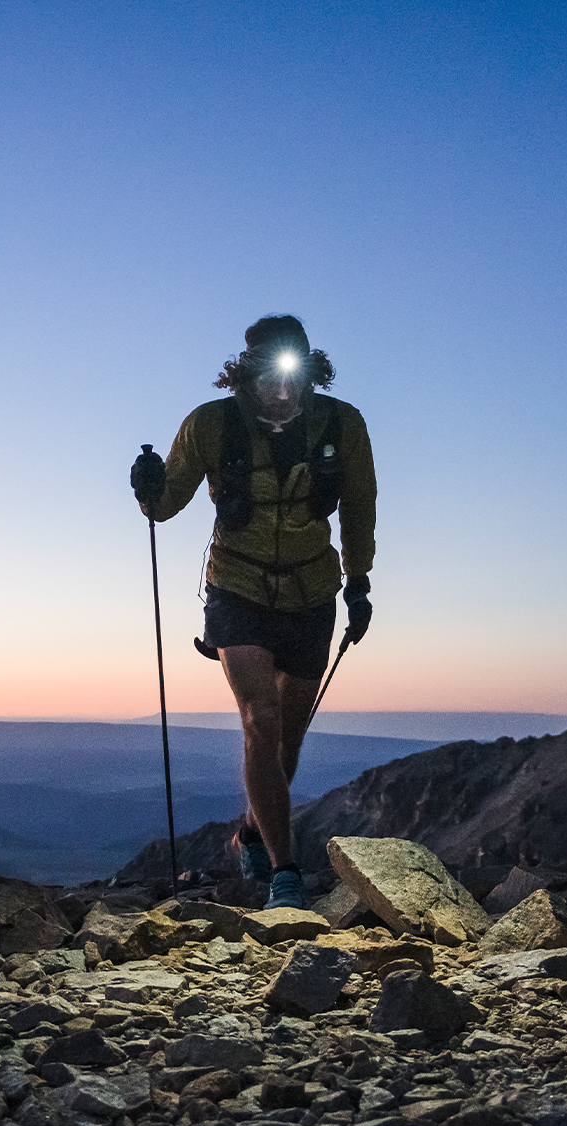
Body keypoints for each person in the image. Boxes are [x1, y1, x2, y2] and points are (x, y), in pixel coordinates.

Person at [130, 315, 375, 908]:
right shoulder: (210, 425)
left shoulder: (343, 424)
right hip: (235, 587)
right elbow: (166, 507)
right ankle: (284, 875)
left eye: (295, 378)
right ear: (246, 374)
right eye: (272, 377)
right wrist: (148, 488)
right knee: (259, 721)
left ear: (310, 370)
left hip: (312, 590)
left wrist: (358, 582)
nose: (285, 393)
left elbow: (360, 502)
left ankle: (249, 833)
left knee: (288, 733)